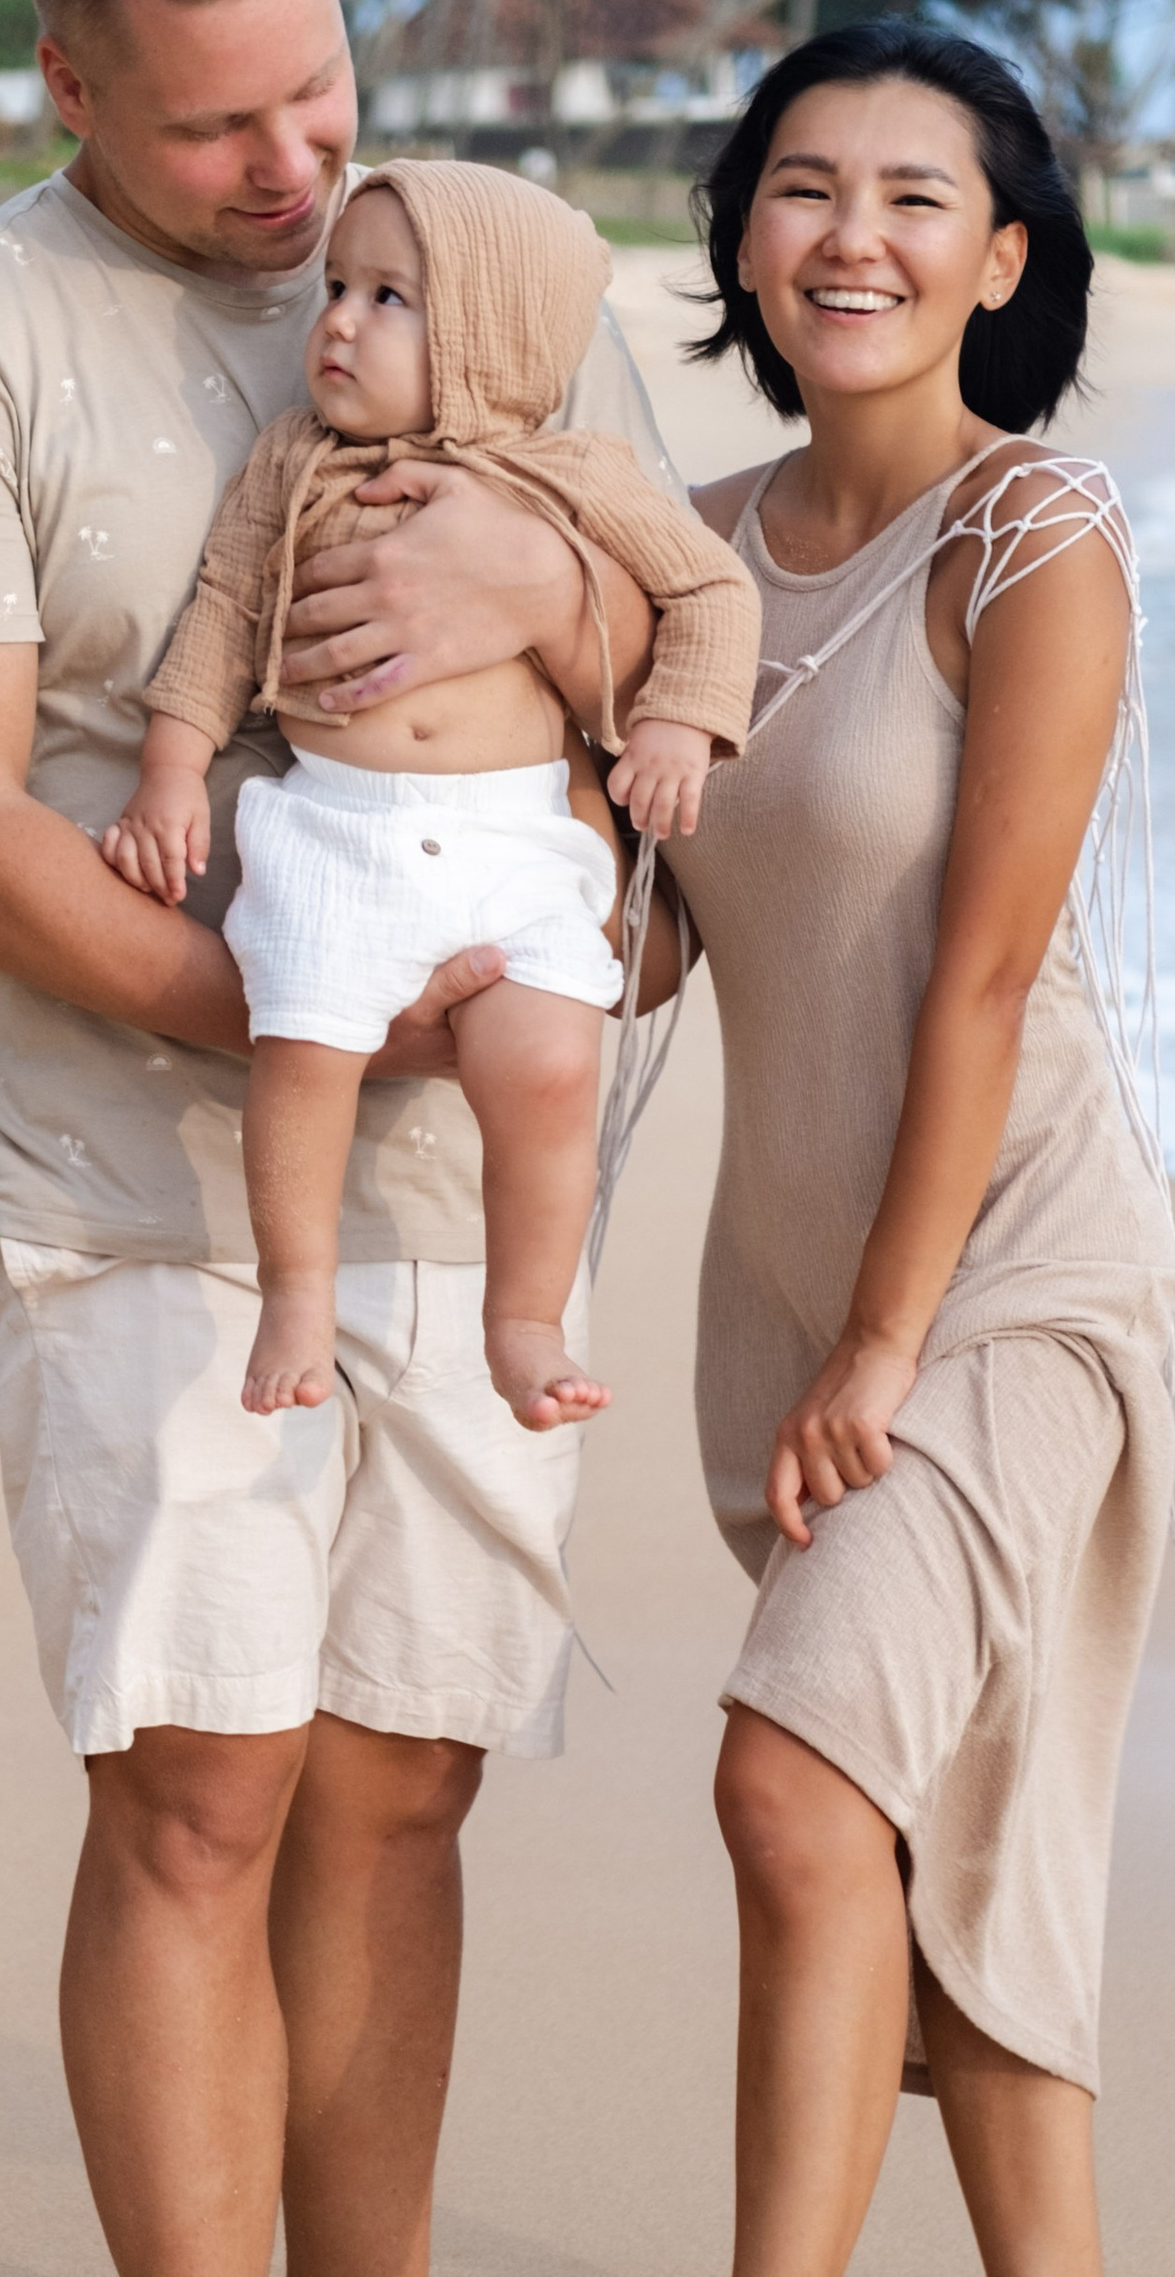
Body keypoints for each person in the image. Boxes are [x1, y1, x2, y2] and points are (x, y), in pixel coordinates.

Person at [0, 0, 680, 2277]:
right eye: (217, 133)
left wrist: (564, 935)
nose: (301, 185)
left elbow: (670, 676)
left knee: (409, 1770)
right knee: (206, 1787)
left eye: (321, 93)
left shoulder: (477, 272)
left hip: (481, 1183)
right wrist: (317, 1018)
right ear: (63, 73)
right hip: (142, 1192)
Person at [619, 20, 1175, 2277]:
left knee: (791, 1781)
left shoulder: (1031, 536)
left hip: (1009, 1274)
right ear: (741, 232)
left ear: (1004, 257)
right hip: (792, 1279)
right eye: (804, 186)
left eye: (916, 196)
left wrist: (887, 1332)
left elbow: (979, 966)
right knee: (936, 1819)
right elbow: (638, 932)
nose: (852, 232)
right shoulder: (685, 550)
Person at [106, 157, 758, 1429]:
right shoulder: (292, 463)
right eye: (337, 286)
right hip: (337, 831)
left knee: (553, 1062)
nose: (338, 319)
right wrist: (171, 770)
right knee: (301, 1048)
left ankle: (523, 1316)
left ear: (493, 338)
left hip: (514, 838)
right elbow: (226, 615)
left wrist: (681, 722)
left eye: (389, 296)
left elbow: (711, 593)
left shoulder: (579, 473)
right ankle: (294, 1290)